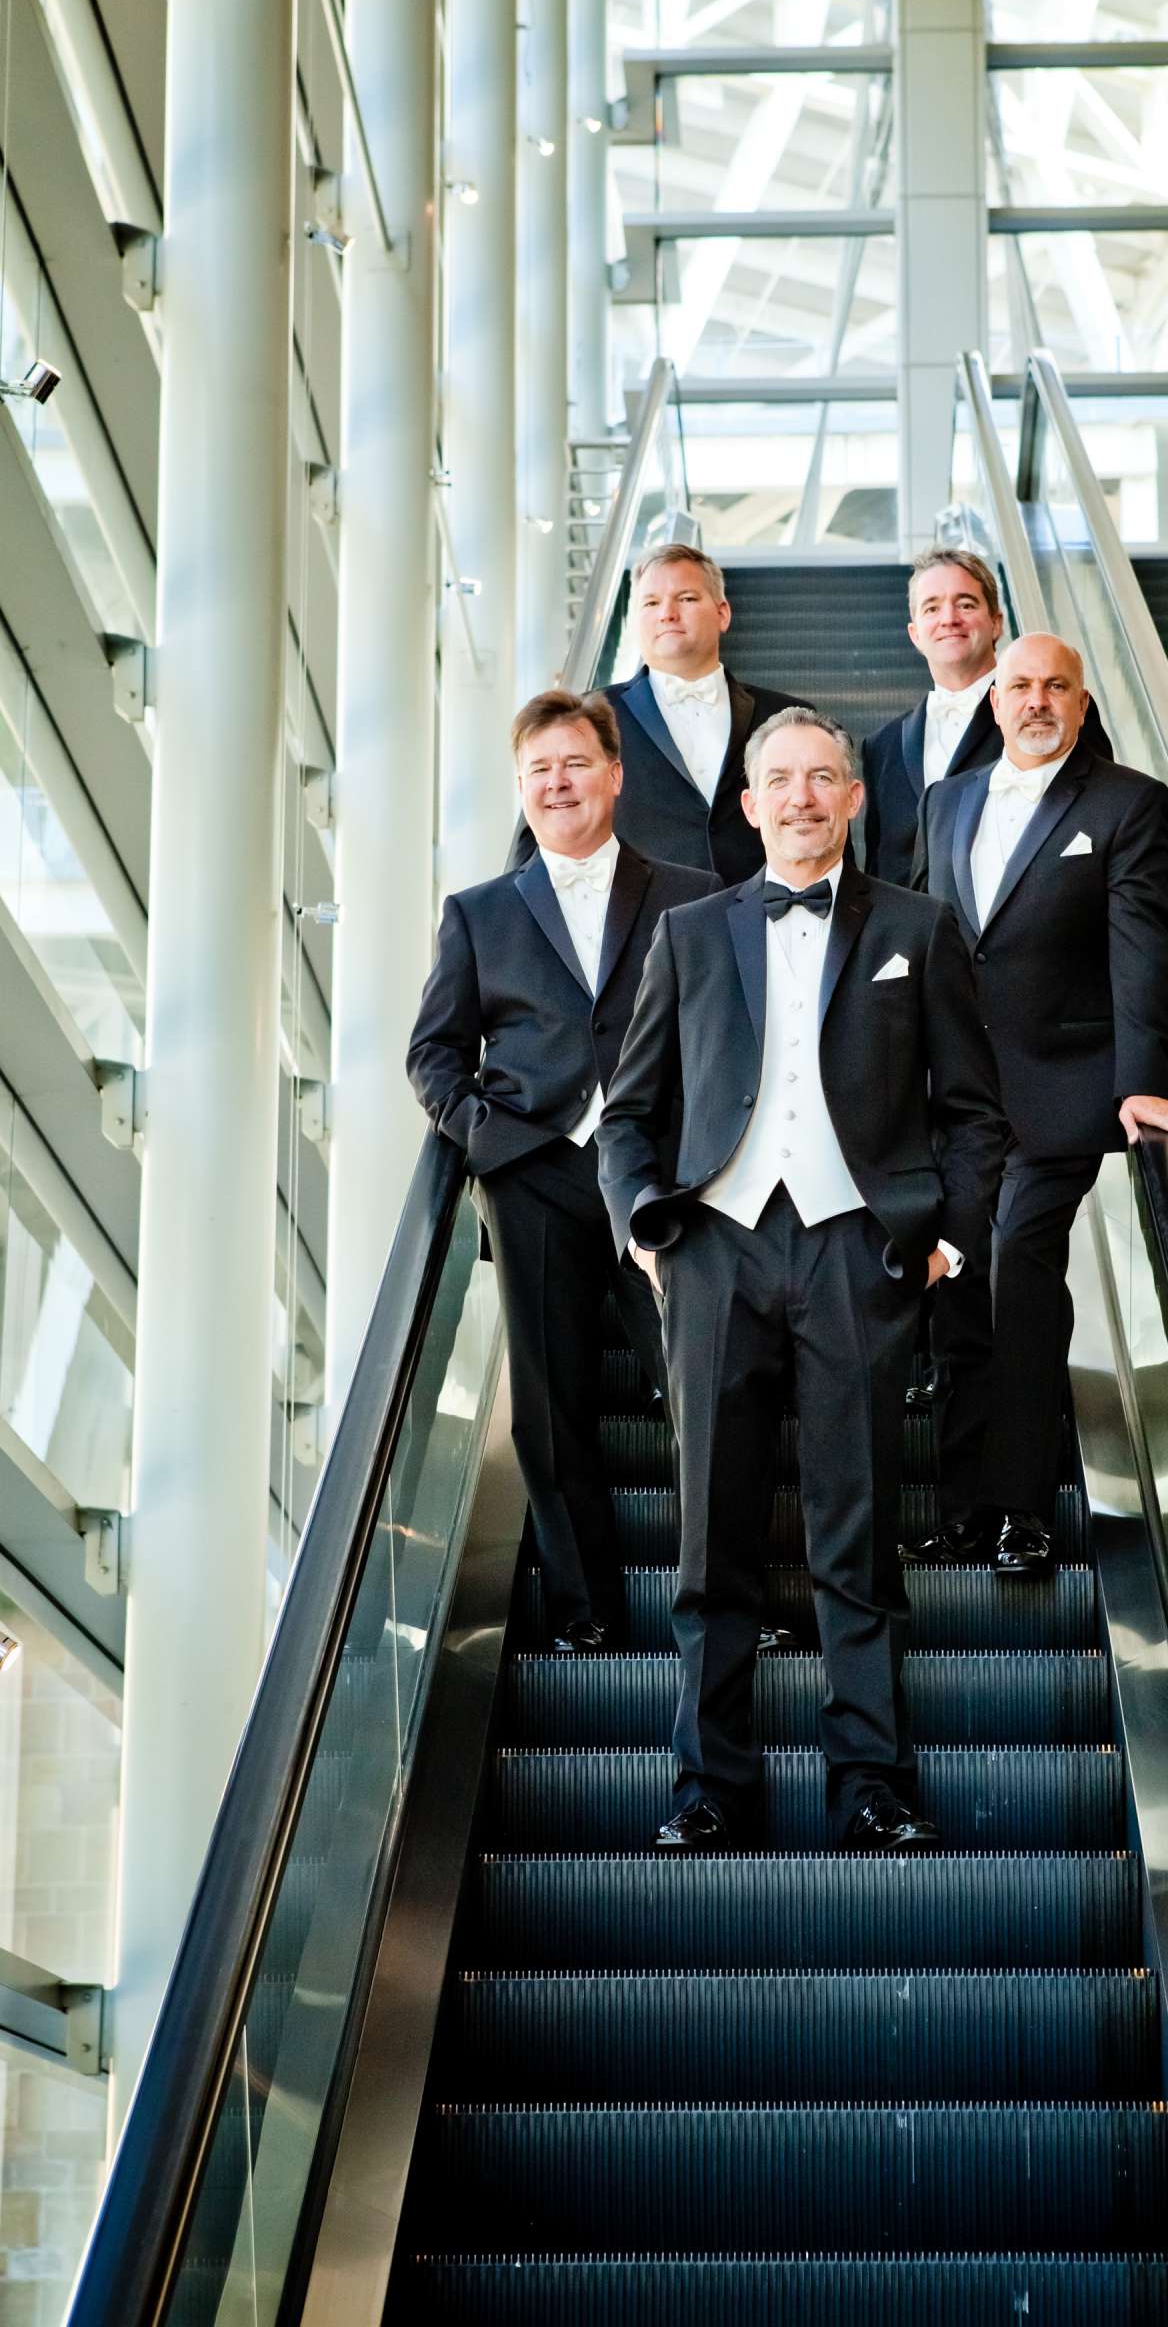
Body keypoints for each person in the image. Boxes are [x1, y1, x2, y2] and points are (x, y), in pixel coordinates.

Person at [598, 709, 1001, 1854]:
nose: (803, 797)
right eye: (780, 780)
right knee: (709, 1543)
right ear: (748, 799)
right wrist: (645, 1224)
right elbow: (626, 1116)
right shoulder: (688, 932)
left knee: (857, 1536)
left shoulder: (918, 930)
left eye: (824, 778)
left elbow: (973, 1114)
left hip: (856, 1252)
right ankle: (706, 1787)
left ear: (856, 798)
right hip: (717, 1249)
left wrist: (943, 1239)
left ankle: (870, 1782)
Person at [407, 688, 716, 1651]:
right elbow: (434, 1053)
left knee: (709, 1391)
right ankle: (589, 1612)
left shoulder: (693, 893)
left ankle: (727, 1605)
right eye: (538, 770)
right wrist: (485, 1138)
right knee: (550, 1408)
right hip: (533, 1177)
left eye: (574, 763)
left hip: (661, 1180)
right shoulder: (478, 912)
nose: (556, 783)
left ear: (615, 775)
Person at [910, 634, 1168, 1574]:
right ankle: (958, 1510)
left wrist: (1142, 1078)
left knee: (1018, 1278)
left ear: (1080, 702)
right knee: (952, 1296)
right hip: (952, 1103)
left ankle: (1018, 1512)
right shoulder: (945, 802)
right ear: (994, 701)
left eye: (1055, 687)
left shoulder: (1126, 803)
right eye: (1020, 685)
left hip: (1060, 1091)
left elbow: (1144, 948)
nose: (1036, 701)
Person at [510, 544, 805, 883]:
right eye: (651, 603)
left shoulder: (787, 716)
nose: (667, 613)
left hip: (763, 921)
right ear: (635, 621)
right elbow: (538, 835)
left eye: (687, 599)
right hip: (638, 926)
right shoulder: (584, 719)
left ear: (722, 613)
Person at [861, 547, 1111, 887]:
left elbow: (1097, 824)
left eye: (965, 604)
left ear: (996, 623)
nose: (949, 618)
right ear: (915, 633)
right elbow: (881, 865)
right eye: (932, 607)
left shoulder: (1048, 710)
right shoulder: (882, 745)